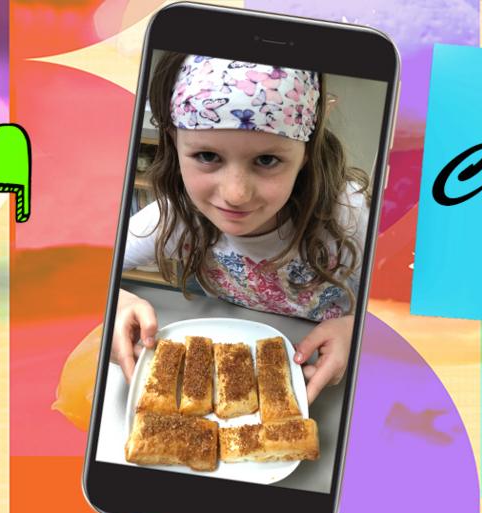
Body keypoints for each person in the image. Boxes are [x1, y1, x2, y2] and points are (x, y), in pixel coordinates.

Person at [112, 52, 370, 404]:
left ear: (306, 152)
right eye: (207, 156)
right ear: (175, 142)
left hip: (335, 384)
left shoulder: (351, 215)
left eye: (266, 160)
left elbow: (424, 310)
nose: (235, 195)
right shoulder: (175, 218)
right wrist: (113, 305)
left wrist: (358, 333)